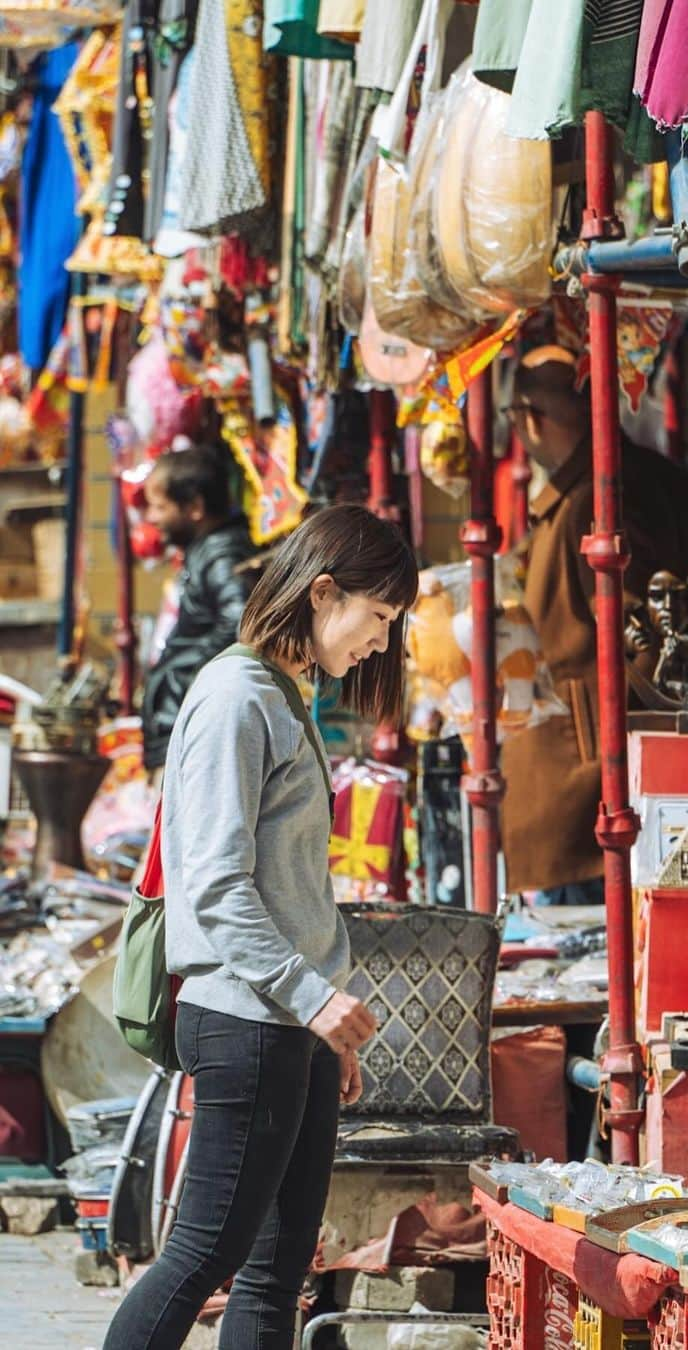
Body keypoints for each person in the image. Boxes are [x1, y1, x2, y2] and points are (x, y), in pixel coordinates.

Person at [104, 503, 419, 1350]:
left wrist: (327, 1025)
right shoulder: (237, 696)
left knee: (278, 1275)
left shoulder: (281, 698)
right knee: (203, 1254)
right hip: (248, 1021)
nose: (381, 644)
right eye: (378, 617)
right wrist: (310, 1000)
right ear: (323, 593)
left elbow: (287, 893)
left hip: (292, 1026)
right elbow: (215, 885)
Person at [501, 346, 688, 904]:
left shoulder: (600, 495)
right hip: (592, 771)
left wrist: (615, 744)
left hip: (586, 787)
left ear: (531, 419)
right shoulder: (618, 480)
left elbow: (642, 631)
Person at [140, 444, 257, 781]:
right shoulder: (207, 551)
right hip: (184, 732)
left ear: (194, 507)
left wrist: (185, 677)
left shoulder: (222, 554)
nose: (151, 518)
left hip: (193, 740)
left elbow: (242, 623)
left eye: (160, 507)